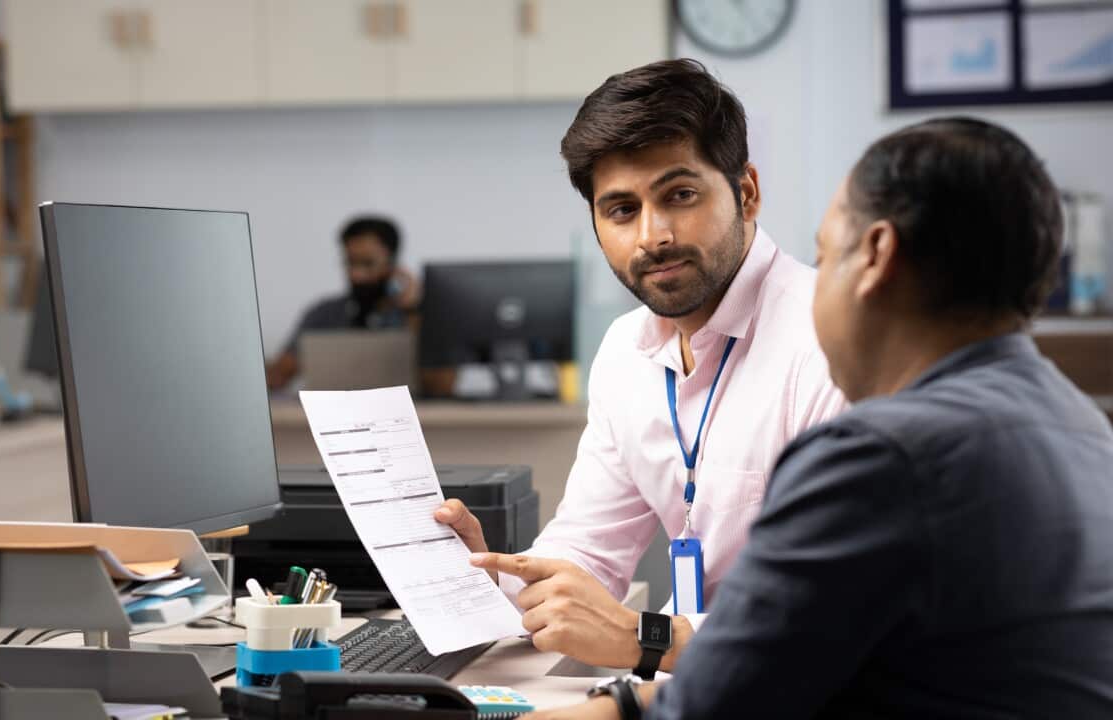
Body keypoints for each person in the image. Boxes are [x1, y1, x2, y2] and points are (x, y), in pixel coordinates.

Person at [514, 117, 1113, 719]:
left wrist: (621, 688)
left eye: (825, 258)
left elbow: (722, 705)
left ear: (875, 256)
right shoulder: (1080, 425)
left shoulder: (887, 455)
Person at [434, 58, 847, 674]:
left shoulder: (832, 342)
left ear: (746, 192)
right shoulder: (625, 352)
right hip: (704, 687)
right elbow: (588, 553)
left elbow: (839, 617)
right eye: (622, 210)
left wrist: (648, 638)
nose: (652, 235)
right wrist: (488, 578)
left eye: (679, 195)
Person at [266, 215, 420, 389]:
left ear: (392, 263)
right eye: (350, 263)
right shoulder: (323, 314)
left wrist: (412, 311)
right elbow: (278, 376)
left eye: (368, 264)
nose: (356, 274)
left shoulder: (417, 315)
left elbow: (441, 386)